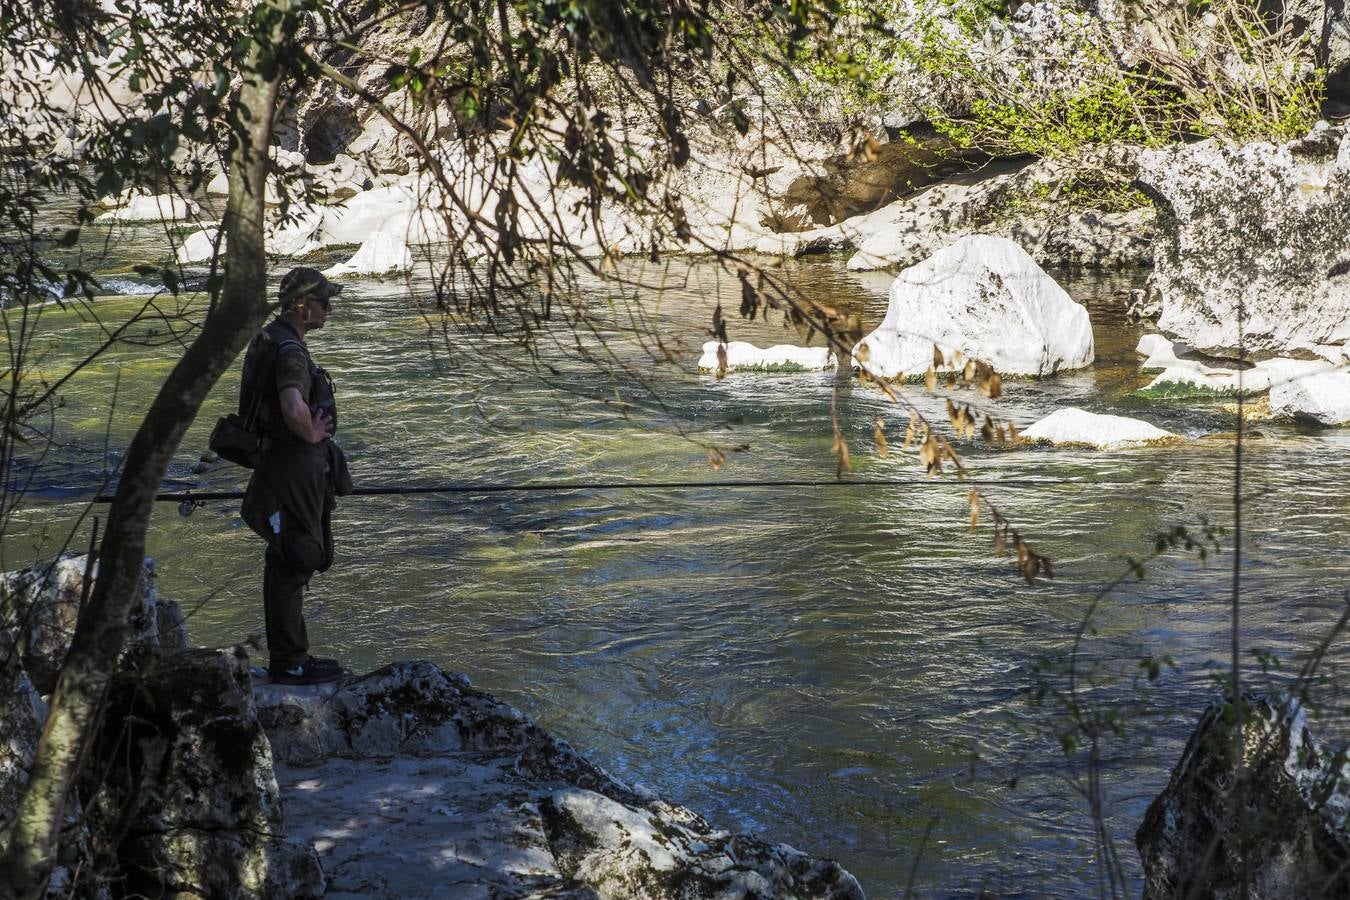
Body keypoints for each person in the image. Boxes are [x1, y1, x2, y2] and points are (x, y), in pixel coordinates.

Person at [240, 267, 353, 685]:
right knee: (297, 559)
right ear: (303, 306)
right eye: (324, 301)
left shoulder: (267, 337)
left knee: (286, 558)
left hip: (276, 467)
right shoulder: (290, 351)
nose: (330, 307)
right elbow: (291, 405)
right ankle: (290, 662)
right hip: (291, 470)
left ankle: (289, 656)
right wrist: (313, 432)